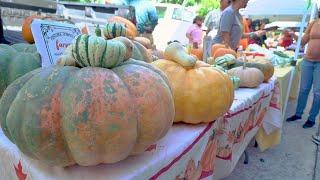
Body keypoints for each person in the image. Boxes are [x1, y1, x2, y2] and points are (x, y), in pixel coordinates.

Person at [286, 13, 320, 128]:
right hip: (308, 61)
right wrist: (294, 35)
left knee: (317, 93)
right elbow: (303, 41)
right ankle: (298, 114)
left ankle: (311, 118)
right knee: (303, 89)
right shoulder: (313, 23)